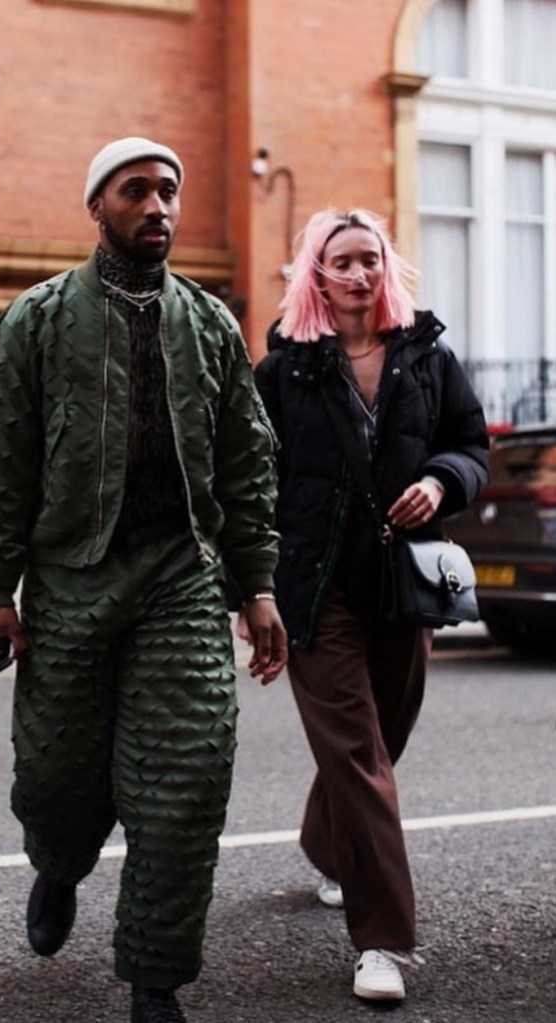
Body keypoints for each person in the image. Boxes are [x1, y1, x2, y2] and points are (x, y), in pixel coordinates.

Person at [0, 136, 287, 1023]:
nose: (157, 207)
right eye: (135, 190)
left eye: (168, 190)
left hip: (182, 577)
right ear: (97, 206)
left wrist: (257, 585)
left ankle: (155, 978)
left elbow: (247, 463)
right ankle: (59, 865)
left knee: (187, 780)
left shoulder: (209, 323)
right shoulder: (38, 318)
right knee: (57, 776)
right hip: (70, 579)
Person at [245, 208, 489, 1002]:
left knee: (384, 739)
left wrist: (441, 482)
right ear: (316, 276)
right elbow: (247, 483)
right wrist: (252, 590)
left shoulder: (428, 357)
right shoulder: (283, 372)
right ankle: (382, 941)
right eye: (342, 261)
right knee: (357, 755)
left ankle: (328, 842)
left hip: (402, 584)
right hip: (315, 591)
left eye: (370, 259)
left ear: (387, 269)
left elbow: (471, 445)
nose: (359, 273)